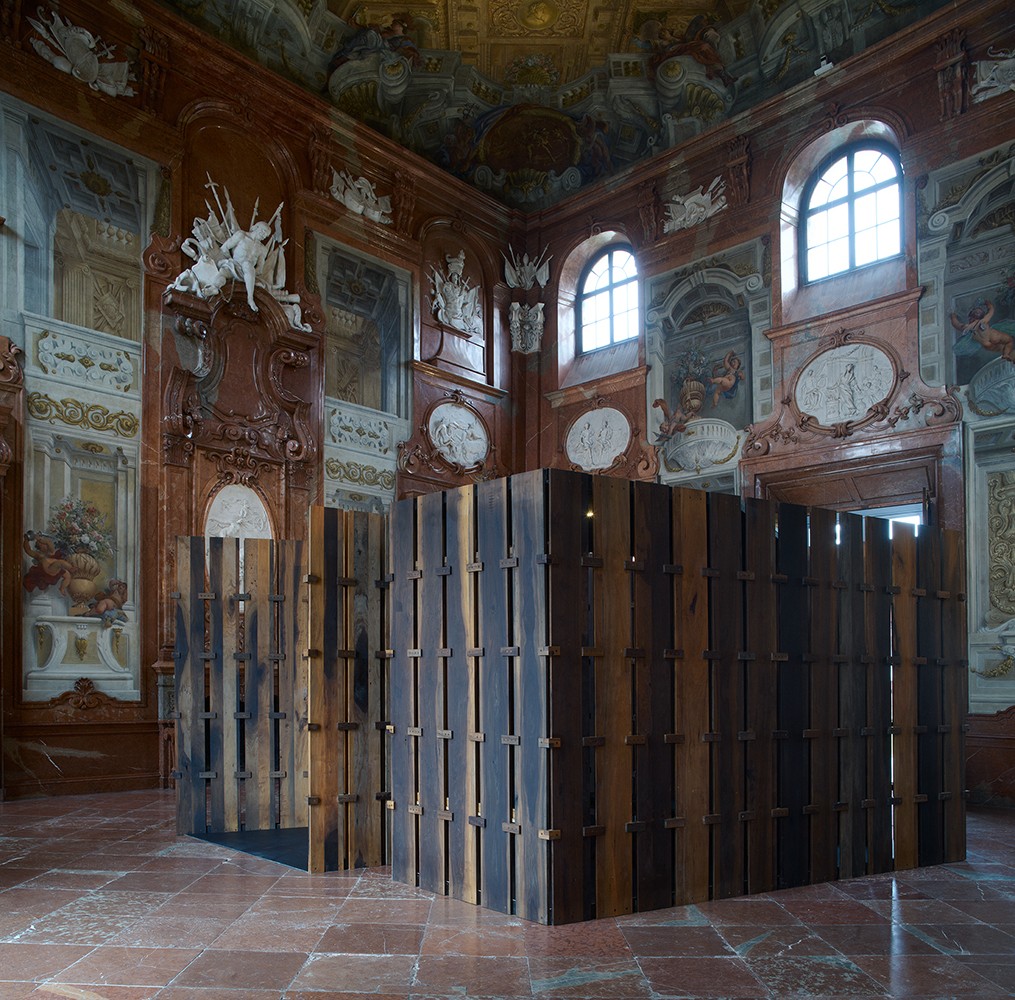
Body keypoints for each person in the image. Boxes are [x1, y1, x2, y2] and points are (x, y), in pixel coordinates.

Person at [220, 221, 272, 312]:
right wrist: (229, 259)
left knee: (247, 265)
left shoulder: (263, 249)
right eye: (263, 231)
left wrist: (252, 272)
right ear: (256, 227)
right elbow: (224, 248)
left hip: (249, 274)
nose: (264, 235)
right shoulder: (241, 235)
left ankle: (250, 298)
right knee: (222, 275)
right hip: (234, 266)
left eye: (266, 235)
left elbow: (260, 268)